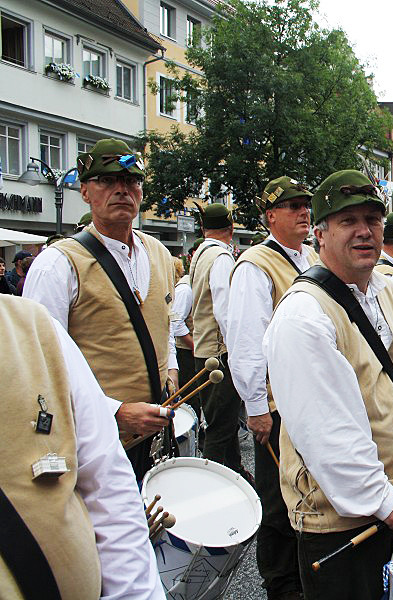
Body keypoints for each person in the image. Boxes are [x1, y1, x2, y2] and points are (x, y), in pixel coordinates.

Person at [264, 170, 393, 600]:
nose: (364, 231)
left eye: (372, 219)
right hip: (343, 521)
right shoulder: (303, 316)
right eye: (347, 221)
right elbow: (326, 433)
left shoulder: (388, 291)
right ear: (320, 233)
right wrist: (383, 500)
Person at [23, 139, 176, 480]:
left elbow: (165, 325)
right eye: (106, 181)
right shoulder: (58, 263)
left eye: (131, 181)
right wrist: (116, 412)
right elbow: (40, 365)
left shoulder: (160, 253)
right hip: (93, 442)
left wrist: (172, 374)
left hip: (153, 434)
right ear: (85, 191)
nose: (122, 190)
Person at [0, 295, 164, 600]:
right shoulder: (56, 264)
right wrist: (116, 410)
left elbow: (108, 486)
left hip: (134, 423)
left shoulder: (32, 324)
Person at [227, 176, 318, 600]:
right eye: (293, 206)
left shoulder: (310, 257)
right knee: (278, 499)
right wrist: (257, 406)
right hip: (278, 404)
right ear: (271, 216)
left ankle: (302, 574)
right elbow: (246, 341)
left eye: (306, 205)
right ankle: (280, 583)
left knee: (308, 490)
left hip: (309, 400)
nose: (304, 212)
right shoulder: (255, 265)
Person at [190, 203, 245, 474]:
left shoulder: (201, 254)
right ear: (231, 228)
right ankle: (207, 481)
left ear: (203, 228)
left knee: (223, 422)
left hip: (205, 350)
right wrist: (237, 352)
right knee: (220, 428)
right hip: (220, 353)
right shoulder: (221, 258)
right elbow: (225, 312)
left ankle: (236, 471)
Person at [171, 257, 200, 419]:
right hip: (184, 350)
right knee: (190, 396)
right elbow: (176, 322)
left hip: (188, 348)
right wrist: (193, 344)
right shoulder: (185, 289)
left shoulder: (189, 286)